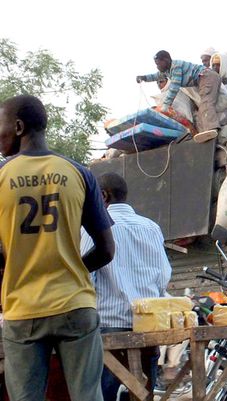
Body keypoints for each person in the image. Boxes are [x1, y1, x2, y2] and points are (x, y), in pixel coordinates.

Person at [0, 95, 115, 401]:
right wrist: (71, 267)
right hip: (74, 305)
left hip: (23, 308)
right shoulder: (79, 173)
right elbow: (106, 250)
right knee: (88, 396)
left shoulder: (1, 176)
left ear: (19, 126)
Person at [81, 173, 172, 401]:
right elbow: (163, 277)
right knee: (143, 395)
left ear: (102, 195)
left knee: (108, 395)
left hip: (110, 330)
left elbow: (84, 280)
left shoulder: (92, 228)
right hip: (148, 328)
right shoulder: (151, 227)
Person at [137, 50, 221, 139]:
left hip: (207, 76)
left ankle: (212, 129)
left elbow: (174, 88)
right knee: (201, 111)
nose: (157, 67)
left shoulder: (176, 67)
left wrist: (165, 106)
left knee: (206, 103)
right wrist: (144, 78)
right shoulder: (167, 71)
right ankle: (206, 131)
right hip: (202, 79)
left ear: (166, 60)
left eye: (158, 64)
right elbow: (155, 76)